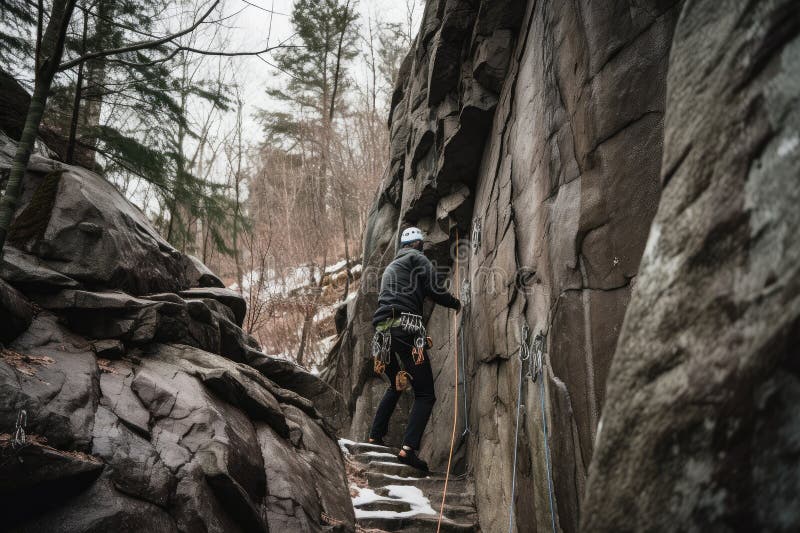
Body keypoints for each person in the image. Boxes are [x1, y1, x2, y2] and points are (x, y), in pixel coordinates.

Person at [368, 226, 461, 472]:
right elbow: (434, 289)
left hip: (382, 334)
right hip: (406, 329)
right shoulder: (417, 258)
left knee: (395, 383)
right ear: (419, 244)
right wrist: (456, 303)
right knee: (425, 394)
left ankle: (375, 436)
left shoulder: (390, 268)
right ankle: (408, 449)